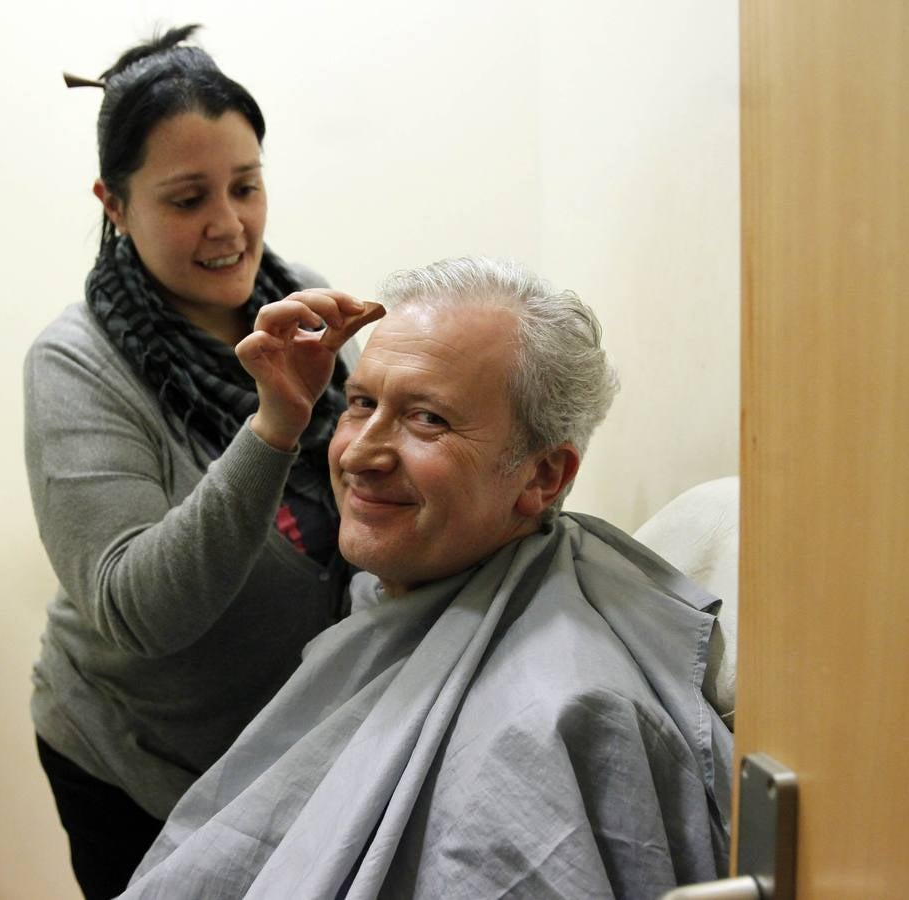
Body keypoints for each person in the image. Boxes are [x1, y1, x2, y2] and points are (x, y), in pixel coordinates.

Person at [119, 257, 735, 899]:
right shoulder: (402, 593)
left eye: (428, 419)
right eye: (361, 403)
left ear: (543, 476)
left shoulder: (550, 724)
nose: (358, 453)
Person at [24, 25, 381, 899]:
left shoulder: (306, 311)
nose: (229, 227)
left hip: (287, 749)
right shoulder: (75, 366)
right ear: (114, 203)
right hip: (136, 764)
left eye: (246, 187)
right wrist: (273, 426)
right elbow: (137, 609)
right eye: (187, 199)